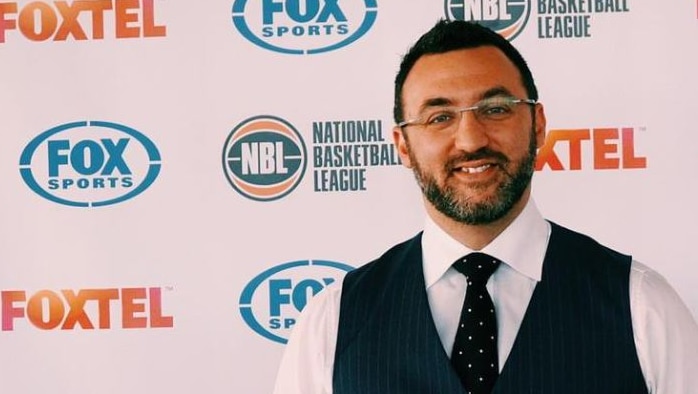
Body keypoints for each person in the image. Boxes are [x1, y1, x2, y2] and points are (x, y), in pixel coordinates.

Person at [272, 19, 698, 394]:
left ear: (538, 124)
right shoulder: (333, 322)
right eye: (439, 117)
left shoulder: (641, 307)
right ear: (402, 144)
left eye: (495, 109)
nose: (472, 139)